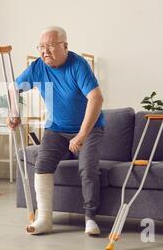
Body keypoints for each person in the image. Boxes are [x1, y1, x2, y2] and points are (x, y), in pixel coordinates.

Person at [8, 26, 105, 236]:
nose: (45, 52)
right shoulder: (37, 67)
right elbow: (13, 88)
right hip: (57, 129)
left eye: (50, 46)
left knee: (87, 168)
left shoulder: (78, 65)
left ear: (65, 46)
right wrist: (14, 113)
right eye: (41, 47)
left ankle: (90, 218)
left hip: (88, 129)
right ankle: (44, 219)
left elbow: (96, 98)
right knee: (42, 163)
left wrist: (81, 135)